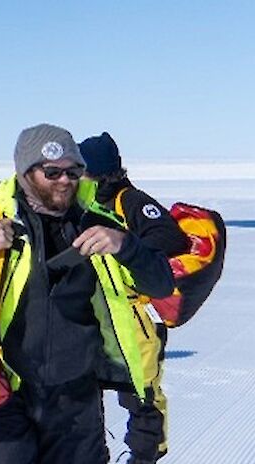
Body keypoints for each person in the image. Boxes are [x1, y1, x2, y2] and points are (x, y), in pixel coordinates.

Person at [0, 125, 176, 464]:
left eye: (73, 172)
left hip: (76, 400)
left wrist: (126, 245)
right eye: (52, 172)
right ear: (26, 171)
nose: (65, 181)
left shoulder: (95, 222)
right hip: (4, 393)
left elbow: (162, 284)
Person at [80, 132, 189, 464]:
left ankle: (145, 457)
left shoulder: (131, 201)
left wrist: (123, 247)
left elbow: (170, 239)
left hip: (135, 318)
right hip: (95, 317)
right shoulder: (86, 203)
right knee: (86, 396)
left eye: (81, 169)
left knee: (141, 395)